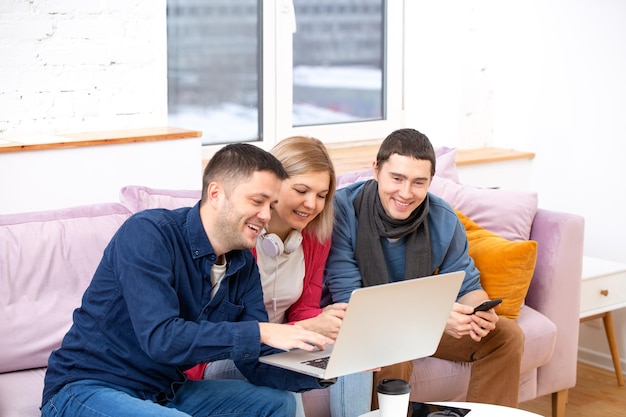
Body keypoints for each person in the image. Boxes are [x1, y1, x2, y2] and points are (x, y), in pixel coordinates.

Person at [40, 143, 336, 417]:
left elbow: (253, 363)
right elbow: (161, 339)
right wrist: (261, 332)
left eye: (271, 205)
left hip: (162, 392)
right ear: (216, 193)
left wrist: (329, 367)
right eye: (257, 201)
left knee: (275, 403)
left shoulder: (242, 264)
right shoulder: (148, 234)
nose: (265, 215)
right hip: (87, 388)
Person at [322, 128, 525, 408]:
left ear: (431, 181)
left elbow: (468, 286)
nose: (406, 193)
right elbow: (351, 302)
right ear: (376, 170)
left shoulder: (442, 217)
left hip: (421, 323)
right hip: (363, 327)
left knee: (505, 335)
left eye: (419, 182)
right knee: (393, 352)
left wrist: (478, 312)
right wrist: (439, 317)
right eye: (397, 178)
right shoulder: (342, 211)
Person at [187, 136, 371, 417]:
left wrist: (324, 325)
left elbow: (304, 308)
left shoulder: (314, 239)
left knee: (353, 351)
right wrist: (305, 329)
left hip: (285, 344)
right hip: (232, 352)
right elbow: (225, 326)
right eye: (301, 190)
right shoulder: (240, 233)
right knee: (283, 379)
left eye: (322, 195)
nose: (312, 204)